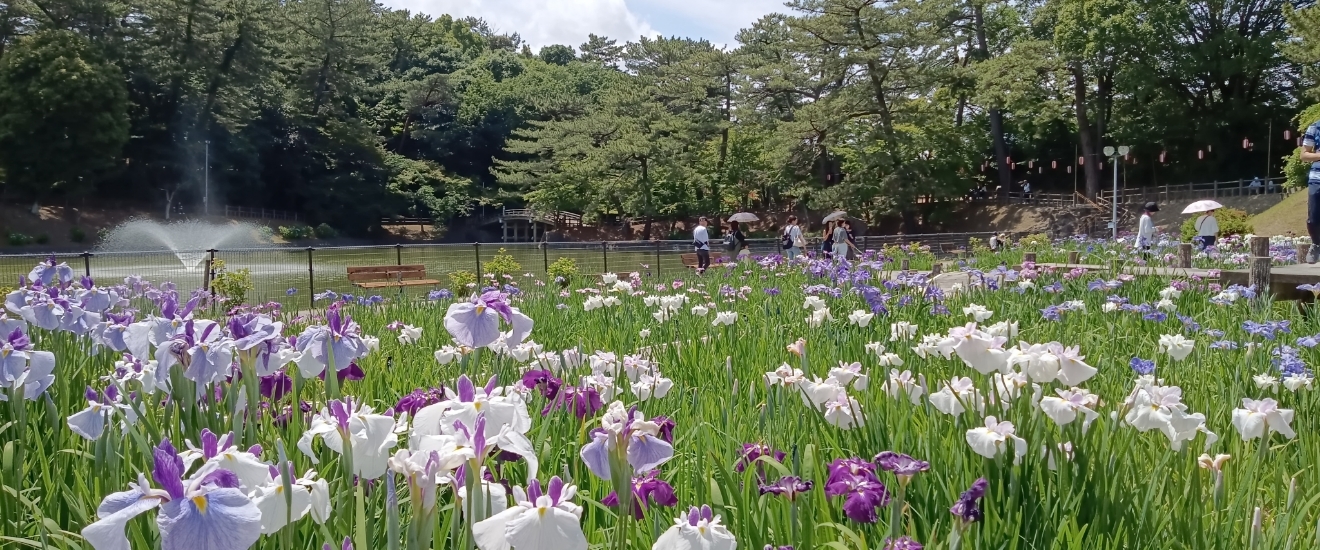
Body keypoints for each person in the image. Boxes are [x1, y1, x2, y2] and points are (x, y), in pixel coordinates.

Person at [1303, 118, 1320, 262]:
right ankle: (1316, 244)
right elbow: (1304, 155)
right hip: (1317, 178)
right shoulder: (1314, 127)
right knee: (1313, 217)